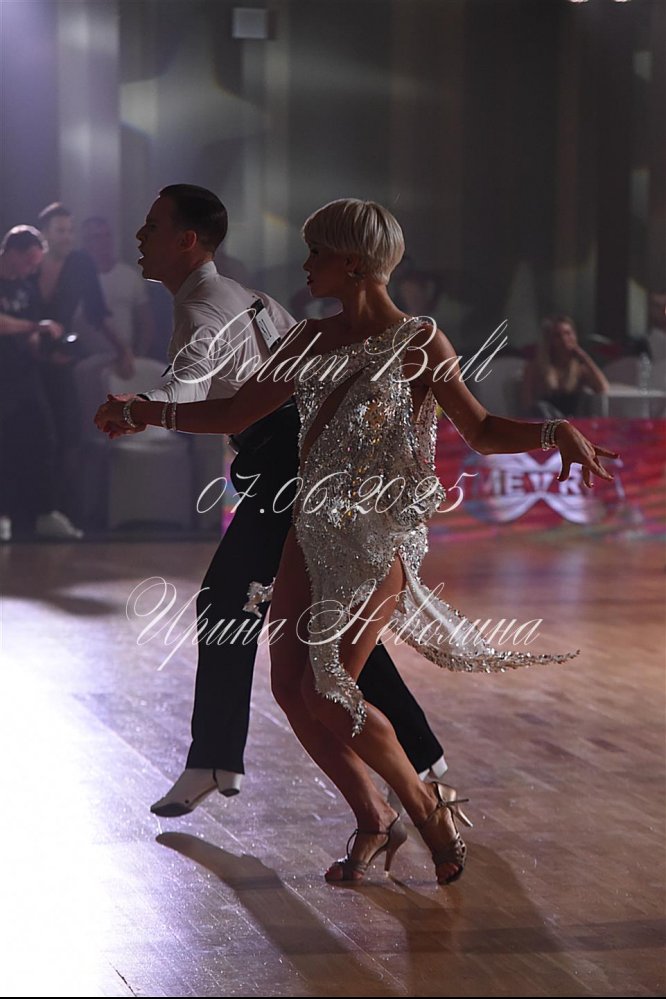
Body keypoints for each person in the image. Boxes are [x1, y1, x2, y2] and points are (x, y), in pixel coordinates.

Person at [97, 198, 617, 886]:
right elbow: (233, 411)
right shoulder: (308, 338)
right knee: (290, 688)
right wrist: (144, 409)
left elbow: (482, 428)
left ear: (353, 262)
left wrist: (556, 431)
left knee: (331, 691)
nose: (305, 264)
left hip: (377, 536)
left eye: (316, 252)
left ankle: (426, 807)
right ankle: (373, 818)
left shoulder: (419, 342)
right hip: (308, 527)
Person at [95, 184, 447, 817]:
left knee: (237, 606)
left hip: (286, 465)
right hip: (292, 460)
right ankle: (421, 760)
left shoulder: (202, 307)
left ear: (187, 240)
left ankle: (219, 761)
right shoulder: (245, 295)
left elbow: (194, 378)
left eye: (152, 226)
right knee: (321, 621)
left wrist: (140, 407)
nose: (140, 238)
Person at [0, 225, 83, 540]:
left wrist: (49, 352)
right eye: (28, 261)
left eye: (36, 264)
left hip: (25, 376)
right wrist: (35, 326)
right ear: (12, 252)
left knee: (42, 438)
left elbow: (31, 337)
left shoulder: (27, 288)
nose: (31, 269)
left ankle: (45, 512)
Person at [81, 216, 156, 356]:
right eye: (97, 237)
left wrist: (139, 355)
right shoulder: (78, 278)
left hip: (127, 357)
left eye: (107, 236)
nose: (104, 242)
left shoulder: (129, 276)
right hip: (90, 359)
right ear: (86, 242)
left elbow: (146, 322)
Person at [522, 315, 609, 418]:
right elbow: (527, 405)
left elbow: (602, 388)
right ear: (549, 341)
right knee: (541, 407)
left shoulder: (579, 369)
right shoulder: (535, 368)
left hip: (571, 423)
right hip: (545, 422)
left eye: (568, 333)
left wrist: (585, 358)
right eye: (557, 336)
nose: (564, 339)